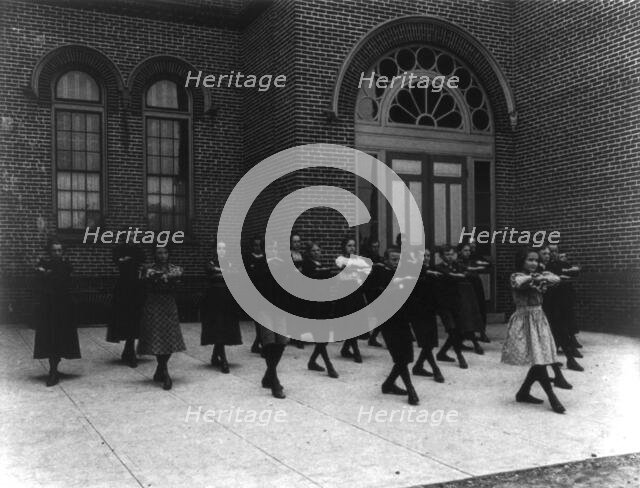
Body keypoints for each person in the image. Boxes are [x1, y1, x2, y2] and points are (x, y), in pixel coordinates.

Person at [502, 248, 567, 414]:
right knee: (538, 360)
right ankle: (552, 397)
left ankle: (523, 392)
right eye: (530, 260)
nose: (534, 263)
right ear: (522, 261)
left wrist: (542, 275)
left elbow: (556, 279)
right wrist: (534, 277)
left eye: (536, 261)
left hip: (539, 319)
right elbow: (520, 282)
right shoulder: (516, 276)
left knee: (539, 357)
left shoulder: (540, 275)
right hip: (524, 320)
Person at [371, 247, 419, 405]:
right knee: (400, 355)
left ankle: (388, 384)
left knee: (406, 356)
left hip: (402, 320)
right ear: (386, 260)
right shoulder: (380, 273)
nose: (397, 263)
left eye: (399, 260)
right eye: (393, 259)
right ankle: (411, 390)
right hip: (388, 321)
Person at [137, 246, 185, 390]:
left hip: (169, 304)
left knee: (169, 337)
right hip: (154, 304)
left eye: (165, 252)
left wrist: (165, 278)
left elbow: (178, 278)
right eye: (159, 253)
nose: (162, 255)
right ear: (154, 255)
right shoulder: (148, 269)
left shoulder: (175, 269)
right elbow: (144, 281)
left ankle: (160, 369)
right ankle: (165, 372)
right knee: (158, 337)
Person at [33, 238, 80, 386]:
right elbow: (39, 282)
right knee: (50, 336)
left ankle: (55, 366)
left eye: (60, 250)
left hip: (63, 306)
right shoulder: (44, 264)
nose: (57, 253)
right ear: (50, 251)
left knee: (60, 336)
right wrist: (41, 270)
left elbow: (59, 279)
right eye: (54, 250)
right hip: (48, 307)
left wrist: (45, 273)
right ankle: (53, 370)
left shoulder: (66, 265)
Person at [201, 241, 242, 374]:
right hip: (214, 300)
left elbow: (236, 273)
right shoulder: (210, 263)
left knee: (225, 327)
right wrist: (225, 271)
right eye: (219, 248)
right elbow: (211, 271)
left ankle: (215, 355)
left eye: (224, 248)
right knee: (218, 326)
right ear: (215, 250)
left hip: (227, 299)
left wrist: (224, 271)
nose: (221, 251)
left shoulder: (230, 263)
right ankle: (223, 359)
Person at [255, 241, 289, 399]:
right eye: (270, 248)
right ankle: (275, 382)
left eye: (276, 248)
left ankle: (268, 376)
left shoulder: (285, 265)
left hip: (281, 308)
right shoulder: (260, 266)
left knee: (282, 342)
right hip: (265, 309)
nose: (273, 251)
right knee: (269, 342)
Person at [302, 242, 339, 378]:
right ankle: (329, 366)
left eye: (318, 250)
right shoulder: (308, 265)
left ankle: (312, 361)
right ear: (308, 252)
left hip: (324, 303)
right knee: (320, 336)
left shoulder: (320, 266)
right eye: (313, 250)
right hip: (314, 305)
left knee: (324, 338)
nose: (316, 252)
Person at [408, 248, 445, 383]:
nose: (427, 258)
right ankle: (436, 370)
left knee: (430, 342)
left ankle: (418, 366)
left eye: (429, 255)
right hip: (417, 311)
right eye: (424, 256)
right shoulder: (414, 271)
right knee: (425, 341)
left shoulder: (432, 271)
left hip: (429, 311)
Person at [106, 243, 145, 368]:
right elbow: (118, 261)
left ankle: (130, 349)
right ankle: (129, 350)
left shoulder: (138, 250)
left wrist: (127, 259)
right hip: (123, 288)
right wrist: (126, 260)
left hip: (136, 287)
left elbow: (141, 261)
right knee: (125, 318)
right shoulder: (118, 249)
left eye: (133, 235)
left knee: (135, 318)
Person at [334, 236, 371, 363]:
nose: (352, 248)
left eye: (354, 245)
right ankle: (356, 351)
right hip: (345, 293)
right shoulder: (340, 259)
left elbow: (367, 268)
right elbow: (346, 266)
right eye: (349, 245)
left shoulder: (357, 260)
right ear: (343, 247)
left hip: (356, 293)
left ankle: (346, 348)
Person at [457, 242, 491, 343]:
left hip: (476, 287)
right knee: (466, 310)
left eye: (469, 250)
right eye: (465, 250)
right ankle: (466, 333)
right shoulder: (458, 261)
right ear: (460, 251)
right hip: (465, 288)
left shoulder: (474, 259)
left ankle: (482, 332)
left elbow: (488, 265)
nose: (468, 252)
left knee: (480, 308)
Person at [361, 237, 384, 347]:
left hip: (378, 289)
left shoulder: (380, 258)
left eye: (377, 247)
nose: (375, 249)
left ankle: (373, 337)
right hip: (369, 290)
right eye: (373, 247)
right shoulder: (365, 259)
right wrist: (375, 266)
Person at [245, 236, 266, 355]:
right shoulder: (248, 259)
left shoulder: (265, 259)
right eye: (255, 245)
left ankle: (257, 343)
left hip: (265, 292)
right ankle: (262, 343)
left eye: (259, 245)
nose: (257, 247)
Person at [289, 233, 306, 349]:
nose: (297, 244)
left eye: (298, 241)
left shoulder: (302, 255)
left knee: (301, 311)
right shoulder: (288, 255)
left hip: (301, 285)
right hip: (291, 285)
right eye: (295, 241)